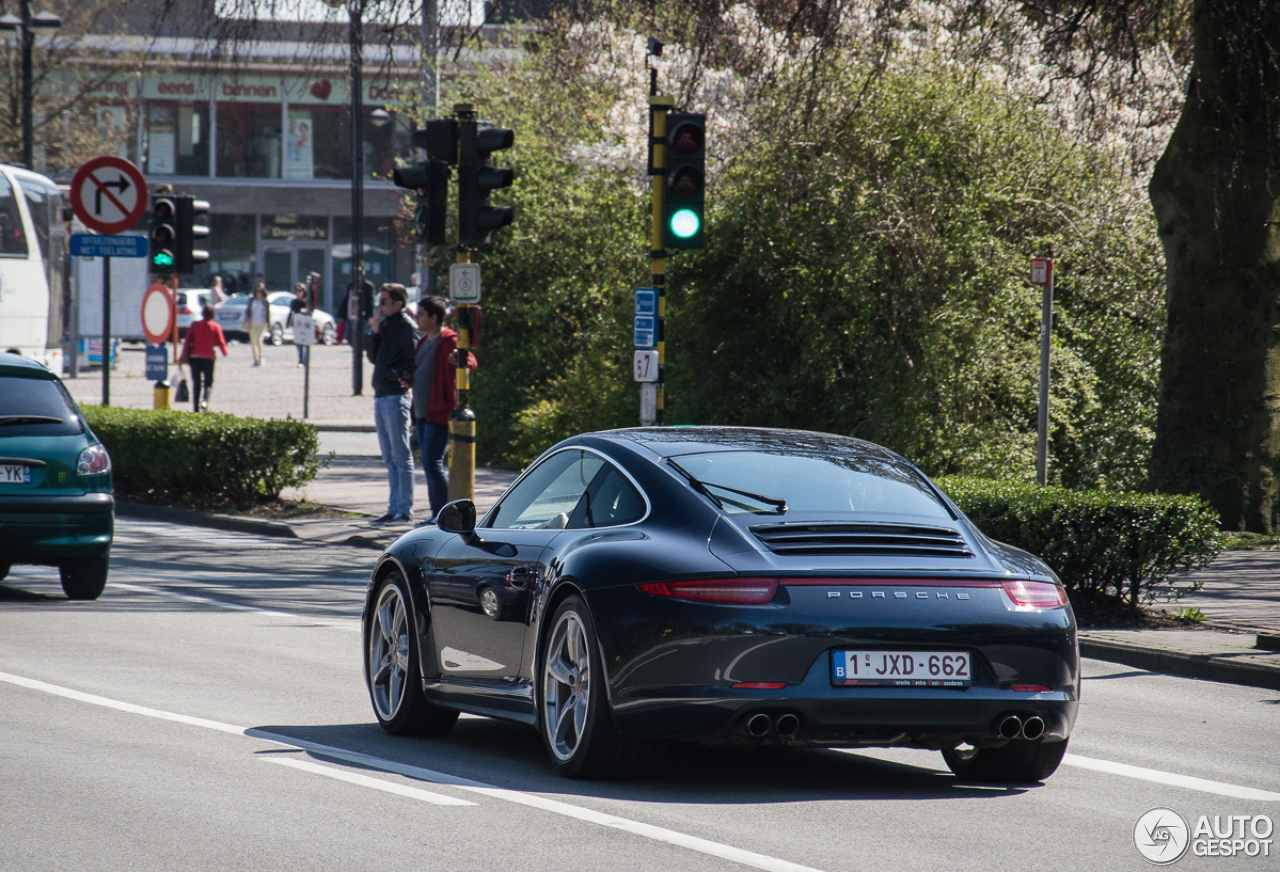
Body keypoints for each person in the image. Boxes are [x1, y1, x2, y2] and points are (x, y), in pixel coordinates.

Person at [407, 297, 477, 526]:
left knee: (431, 461)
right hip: (422, 413)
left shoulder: (449, 339)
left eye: (420, 314)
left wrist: (459, 357)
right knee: (429, 462)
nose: (417, 317)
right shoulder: (424, 341)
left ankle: (449, 513)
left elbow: (470, 360)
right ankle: (439, 512)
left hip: (440, 412)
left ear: (433, 318)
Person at [365, 283, 416, 526]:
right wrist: (374, 333)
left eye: (384, 302)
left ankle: (404, 509)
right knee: (388, 457)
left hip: (396, 395)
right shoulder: (384, 324)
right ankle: (393, 507)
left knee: (401, 456)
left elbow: (412, 359)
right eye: (379, 301)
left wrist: (397, 375)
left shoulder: (407, 327)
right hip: (381, 394)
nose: (380, 306)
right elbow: (373, 357)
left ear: (398, 304)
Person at [180, 304, 229, 412]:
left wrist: (182, 355)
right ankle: (205, 400)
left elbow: (187, 341)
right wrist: (225, 352)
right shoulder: (216, 327)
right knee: (208, 381)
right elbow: (221, 342)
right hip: (209, 357)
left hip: (194, 357)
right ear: (212, 314)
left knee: (196, 383)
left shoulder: (194, 325)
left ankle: (196, 408)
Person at [244, 283, 270, 366]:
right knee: (253, 342)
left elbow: (268, 313)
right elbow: (248, 310)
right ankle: (255, 360)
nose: (259, 293)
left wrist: (269, 324)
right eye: (257, 291)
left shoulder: (265, 301)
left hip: (262, 323)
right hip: (253, 323)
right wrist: (247, 317)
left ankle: (260, 357)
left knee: (259, 341)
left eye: (260, 291)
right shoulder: (252, 300)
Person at [287, 282, 309, 367]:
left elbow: (311, 310)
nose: (298, 292)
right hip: (297, 323)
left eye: (300, 290)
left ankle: (303, 360)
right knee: (298, 343)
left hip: (306, 323)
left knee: (305, 342)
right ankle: (301, 360)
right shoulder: (294, 302)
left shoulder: (307, 301)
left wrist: (306, 309)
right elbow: (291, 312)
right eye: (296, 290)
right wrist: (288, 323)